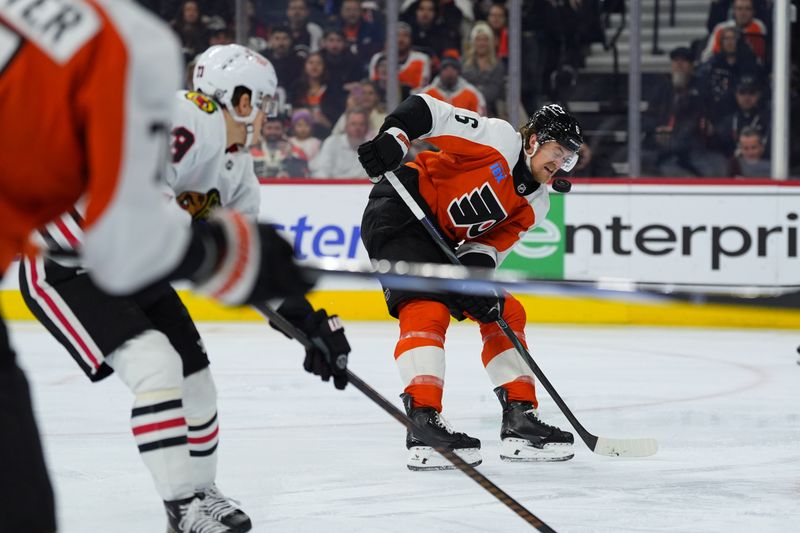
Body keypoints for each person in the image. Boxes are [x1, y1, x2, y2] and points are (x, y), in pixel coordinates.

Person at [0, 5, 346, 529]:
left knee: (196, 378)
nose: (266, 116)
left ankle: (201, 493)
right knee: (157, 367)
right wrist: (208, 249)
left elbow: (246, 266)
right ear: (241, 97)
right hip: (67, 266)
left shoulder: (239, 170)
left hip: (139, 266)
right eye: (264, 103)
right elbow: (142, 204)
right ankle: (182, 506)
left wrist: (306, 323)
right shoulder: (188, 115)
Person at [356, 95, 580, 469]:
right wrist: (395, 136)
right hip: (398, 209)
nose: (559, 164)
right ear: (533, 142)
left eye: (568, 159)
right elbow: (429, 112)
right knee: (425, 306)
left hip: (440, 240)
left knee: (504, 309)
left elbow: (484, 248)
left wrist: (476, 284)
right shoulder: (498, 140)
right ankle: (423, 421)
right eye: (556, 151)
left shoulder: (537, 204)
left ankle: (520, 419)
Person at [368, 22, 431, 93]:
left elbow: (423, 89)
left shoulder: (421, 59)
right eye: (397, 35)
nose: (401, 39)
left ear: (411, 39)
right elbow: (373, 87)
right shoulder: (378, 58)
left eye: (405, 35)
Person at [311, 108, 371, 178]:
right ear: (346, 126)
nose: (357, 128)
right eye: (353, 124)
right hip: (334, 187)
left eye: (361, 124)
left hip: (363, 188)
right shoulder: (332, 143)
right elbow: (322, 172)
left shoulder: (372, 147)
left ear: (367, 127)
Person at [702, 0, 768, 63]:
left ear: (753, 11)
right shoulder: (721, 28)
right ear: (734, 11)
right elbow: (707, 57)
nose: (743, 13)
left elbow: (760, 57)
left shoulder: (758, 26)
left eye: (747, 9)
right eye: (739, 9)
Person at [419, 57, 487, 116]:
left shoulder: (472, 93)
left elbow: (480, 120)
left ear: (458, 72)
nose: (449, 72)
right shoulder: (427, 94)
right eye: (445, 69)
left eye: (453, 69)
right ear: (440, 71)